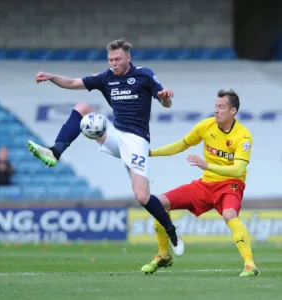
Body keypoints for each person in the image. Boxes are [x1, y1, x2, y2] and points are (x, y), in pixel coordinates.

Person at [27, 38, 183, 255]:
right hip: (114, 134)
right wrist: (52, 77)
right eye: (110, 59)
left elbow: (164, 101)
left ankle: (170, 230)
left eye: (118, 59)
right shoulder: (105, 78)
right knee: (82, 107)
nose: (113, 63)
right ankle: (55, 152)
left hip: (136, 141)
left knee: (142, 197)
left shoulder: (144, 75)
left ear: (128, 57)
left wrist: (166, 98)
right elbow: (73, 83)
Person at [141, 89, 260, 277]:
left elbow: (238, 170)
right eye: (215, 106)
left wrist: (207, 165)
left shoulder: (243, 136)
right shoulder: (206, 126)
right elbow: (182, 144)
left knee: (230, 214)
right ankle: (163, 255)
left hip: (230, 185)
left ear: (233, 111)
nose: (216, 110)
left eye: (221, 107)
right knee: (158, 204)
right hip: (205, 185)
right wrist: (152, 153)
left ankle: (249, 265)